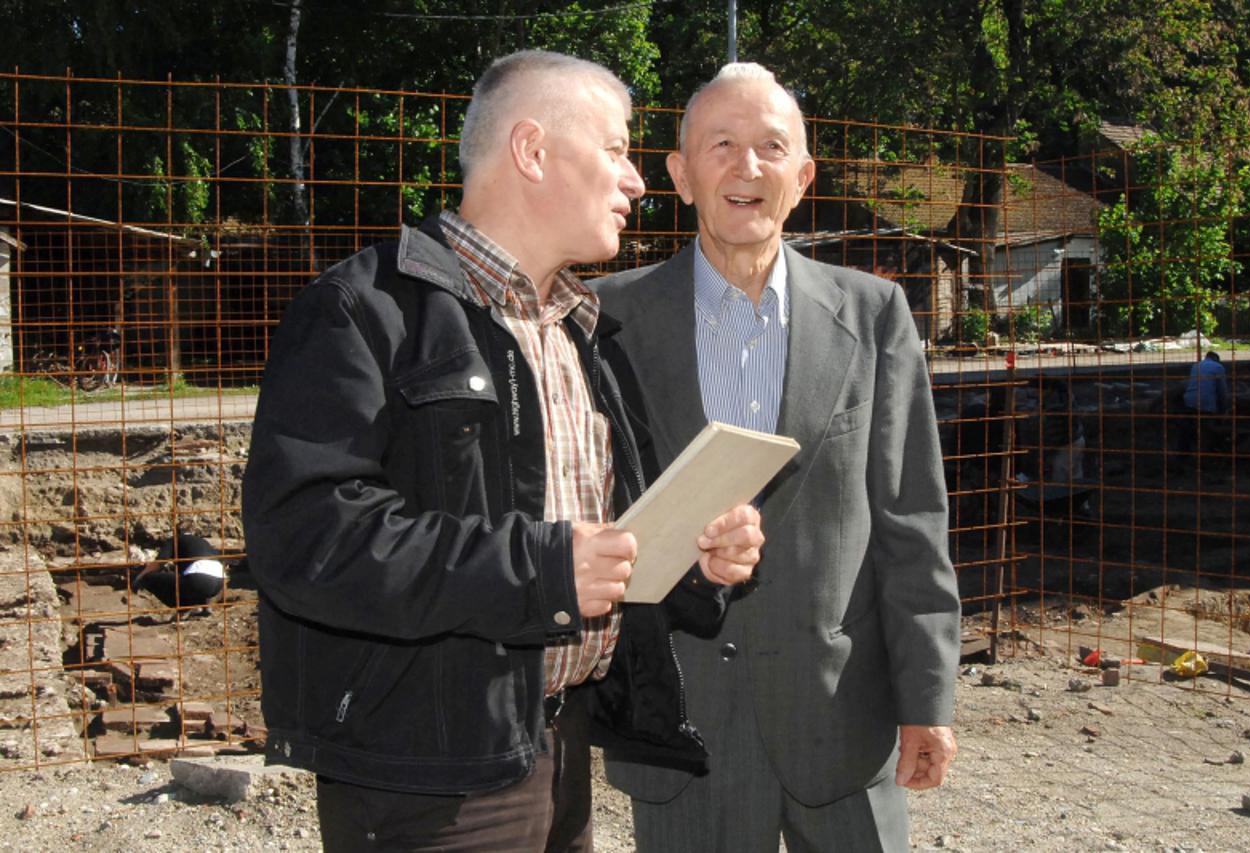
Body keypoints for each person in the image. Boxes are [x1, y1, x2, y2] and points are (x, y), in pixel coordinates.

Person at [242, 51, 764, 852]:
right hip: (426, 775)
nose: (638, 183)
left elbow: (599, 540)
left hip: (559, 742)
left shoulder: (581, 331)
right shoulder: (363, 310)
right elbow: (305, 534)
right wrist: (544, 569)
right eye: (618, 150)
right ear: (532, 150)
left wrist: (695, 559)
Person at [595, 62, 961, 852]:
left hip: (842, 722)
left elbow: (911, 517)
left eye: (770, 146)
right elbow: (583, 503)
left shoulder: (873, 314)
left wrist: (927, 693)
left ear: (803, 175)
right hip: (681, 729)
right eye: (720, 143)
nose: (746, 166)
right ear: (680, 173)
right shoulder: (608, 318)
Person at [132, 532, 224, 610]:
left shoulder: (173, 540)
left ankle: (185, 608)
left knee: (147, 578)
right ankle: (203, 607)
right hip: (219, 582)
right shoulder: (201, 541)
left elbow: (160, 562)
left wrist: (140, 576)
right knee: (186, 583)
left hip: (199, 579)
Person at [1179, 351, 1229, 453]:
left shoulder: (1196, 365)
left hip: (1189, 401)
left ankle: (1183, 454)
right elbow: (1222, 391)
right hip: (1205, 403)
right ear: (1216, 359)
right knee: (1206, 429)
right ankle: (1205, 454)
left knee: (1188, 428)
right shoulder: (1218, 367)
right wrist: (1223, 410)